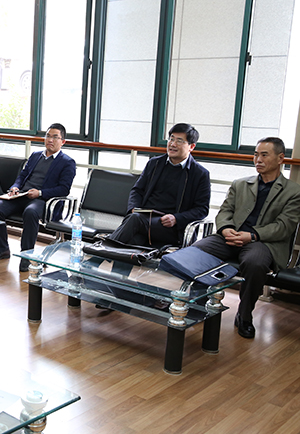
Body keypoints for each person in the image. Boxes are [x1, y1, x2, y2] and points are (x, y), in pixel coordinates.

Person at [193, 137, 300, 339]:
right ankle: (196, 302)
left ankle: (244, 315)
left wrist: (252, 235)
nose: (258, 159)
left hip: (262, 242)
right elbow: (225, 211)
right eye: (255, 154)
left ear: (280, 158)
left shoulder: (294, 192)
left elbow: (284, 227)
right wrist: (226, 229)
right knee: (195, 251)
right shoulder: (240, 184)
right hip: (231, 236)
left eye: (264, 155)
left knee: (255, 263)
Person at [0, 123, 76, 272]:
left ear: (63, 141)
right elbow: (22, 176)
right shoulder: (36, 155)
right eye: (48, 136)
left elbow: (64, 189)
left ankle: (26, 256)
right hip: (22, 195)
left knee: (31, 212)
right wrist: (15, 187)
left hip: (43, 200)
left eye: (55, 137)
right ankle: (2, 249)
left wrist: (40, 193)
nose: (50, 140)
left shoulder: (67, 162)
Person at [109, 123, 211, 247]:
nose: (173, 144)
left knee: (134, 221)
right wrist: (133, 208)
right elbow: (137, 190)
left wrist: (176, 218)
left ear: (191, 146)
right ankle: (106, 251)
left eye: (179, 141)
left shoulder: (199, 174)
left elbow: (202, 209)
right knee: (133, 239)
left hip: (171, 227)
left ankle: (103, 248)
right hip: (144, 218)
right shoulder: (154, 164)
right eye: (171, 139)